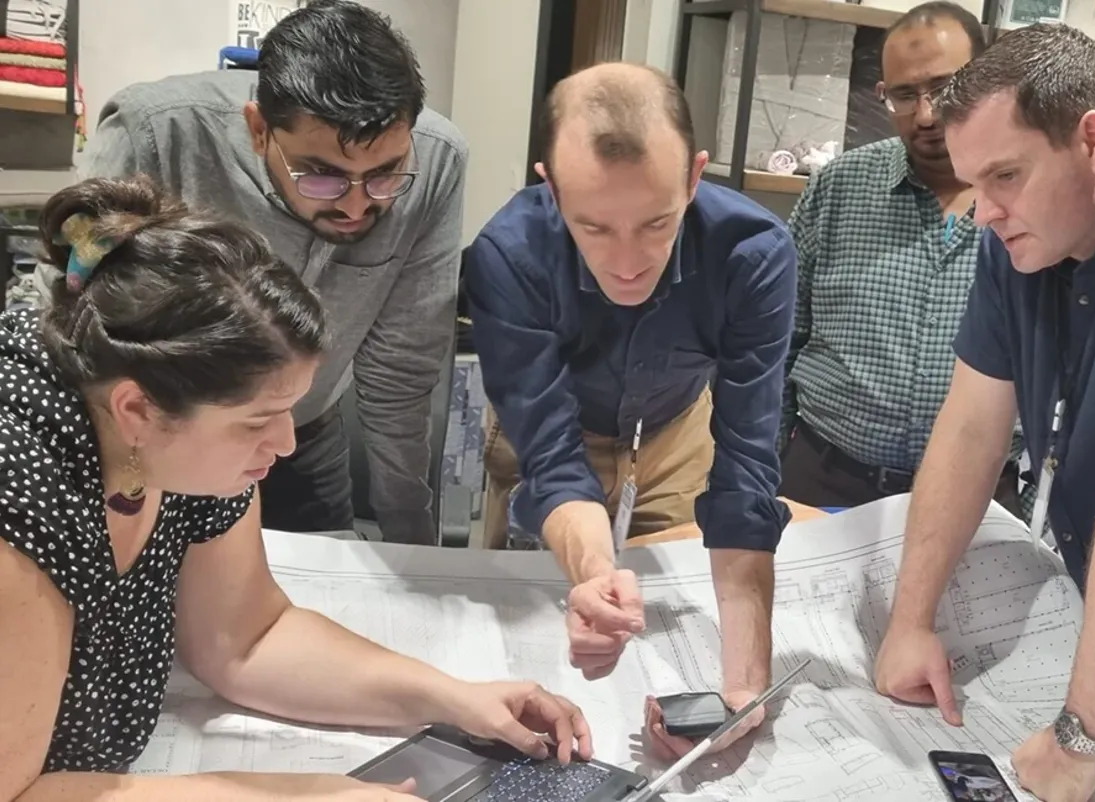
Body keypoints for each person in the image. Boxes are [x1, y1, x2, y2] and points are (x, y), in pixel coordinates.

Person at [0, 177, 590, 802]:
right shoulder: (21, 488)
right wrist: (297, 797)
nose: (284, 444)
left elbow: (246, 638)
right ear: (137, 411)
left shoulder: (177, 437)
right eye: (257, 421)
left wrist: (453, 699)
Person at [871, 23, 1095, 802]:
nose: (982, 211)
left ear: (1091, 140)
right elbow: (970, 430)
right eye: (973, 183)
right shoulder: (1019, 244)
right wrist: (910, 621)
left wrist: (1082, 739)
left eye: (1006, 176)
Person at [464, 62, 796, 759]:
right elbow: (551, 458)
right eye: (593, 227)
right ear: (550, 188)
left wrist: (744, 689)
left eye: (656, 223)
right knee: (525, 623)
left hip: (677, 430)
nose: (626, 263)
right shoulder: (507, 255)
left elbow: (746, 469)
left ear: (694, 177)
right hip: (552, 433)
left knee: (668, 614)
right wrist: (595, 580)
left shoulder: (753, 252)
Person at [67, 0, 466, 545]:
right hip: (164, 438)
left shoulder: (438, 162)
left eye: (384, 175)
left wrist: (410, 547)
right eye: (321, 175)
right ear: (259, 130)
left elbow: (401, 372)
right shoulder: (155, 132)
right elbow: (76, 320)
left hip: (305, 433)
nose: (355, 206)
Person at [779, 2, 1026, 517]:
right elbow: (777, 340)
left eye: (945, 87)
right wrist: (764, 468)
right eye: (904, 95)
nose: (927, 115)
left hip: (979, 498)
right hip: (824, 485)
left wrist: (1026, 508)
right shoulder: (839, 188)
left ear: (989, 81)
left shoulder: (1035, 201)